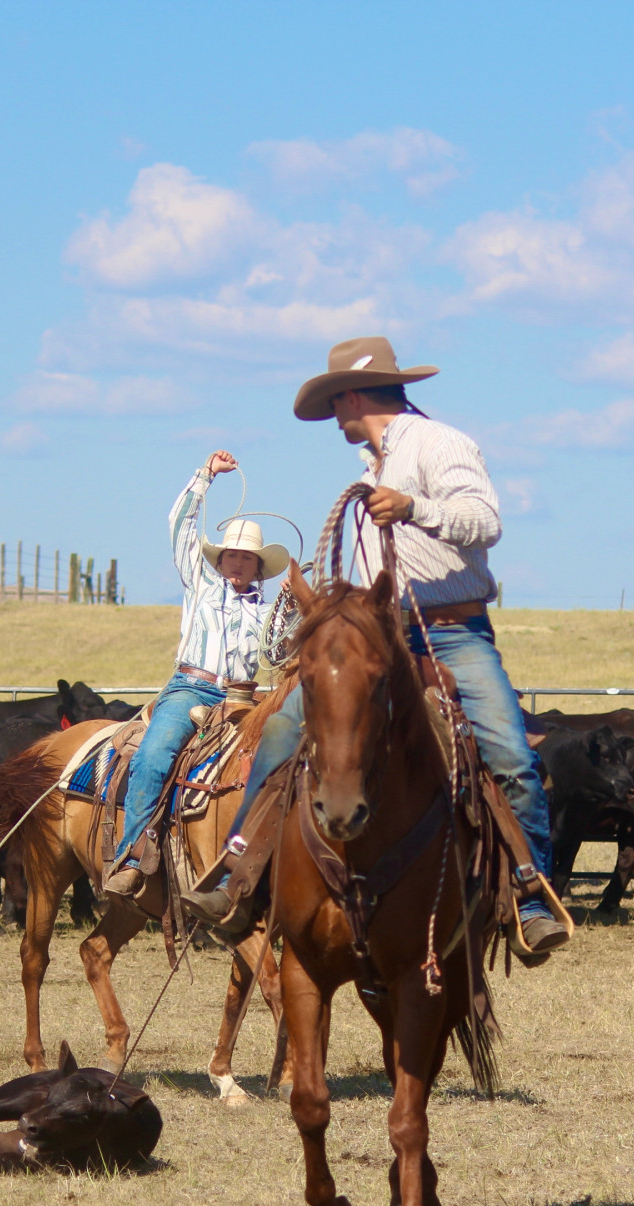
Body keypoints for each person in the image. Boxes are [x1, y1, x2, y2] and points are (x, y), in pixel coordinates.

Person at [182, 336, 569, 955]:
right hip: (378, 640)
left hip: (453, 634)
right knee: (282, 730)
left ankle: (529, 896)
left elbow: (485, 520)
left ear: (354, 396)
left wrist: (414, 506)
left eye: (335, 404)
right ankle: (240, 875)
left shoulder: (441, 444)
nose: (334, 418)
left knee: (509, 754)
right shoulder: (366, 477)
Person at [103, 451, 289, 903]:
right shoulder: (201, 584)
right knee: (155, 754)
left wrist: (293, 604)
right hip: (191, 688)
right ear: (220, 560)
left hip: (245, 698)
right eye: (231, 555)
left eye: (247, 558)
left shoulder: (269, 613)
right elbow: (180, 526)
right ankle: (132, 856)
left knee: (280, 761)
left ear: (259, 567)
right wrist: (205, 476)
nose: (237, 562)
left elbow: (282, 653)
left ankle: (252, 862)